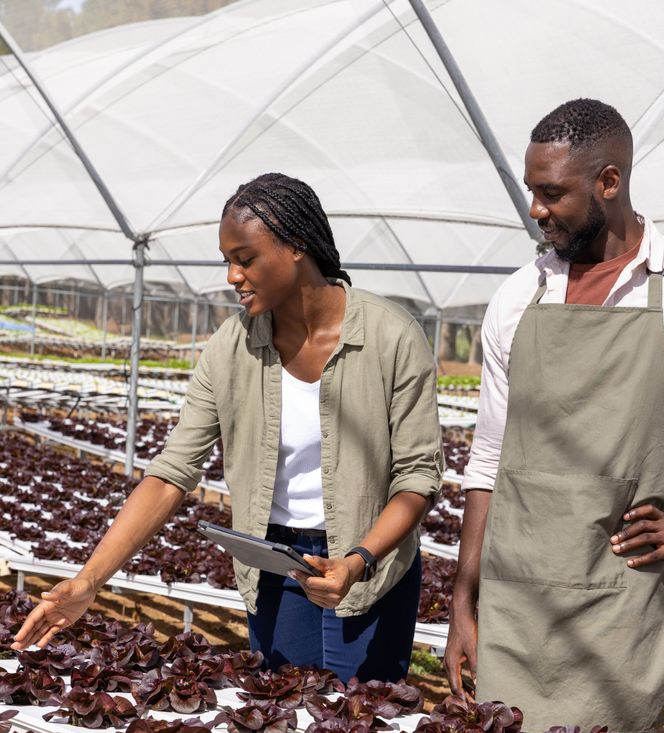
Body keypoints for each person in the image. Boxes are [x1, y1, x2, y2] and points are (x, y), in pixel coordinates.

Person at [13, 173, 443, 683]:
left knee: (362, 727)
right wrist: (88, 581)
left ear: (297, 248)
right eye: (228, 262)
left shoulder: (391, 337)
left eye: (245, 258)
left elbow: (418, 476)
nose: (232, 276)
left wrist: (357, 559)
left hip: (371, 569)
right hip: (277, 566)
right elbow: (173, 470)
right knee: (287, 725)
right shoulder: (230, 346)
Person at [445, 99, 664, 733]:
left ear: (609, 182)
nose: (536, 210)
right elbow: (490, 459)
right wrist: (463, 602)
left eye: (552, 193)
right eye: (532, 192)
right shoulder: (518, 298)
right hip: (517, 599)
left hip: (620, 604)